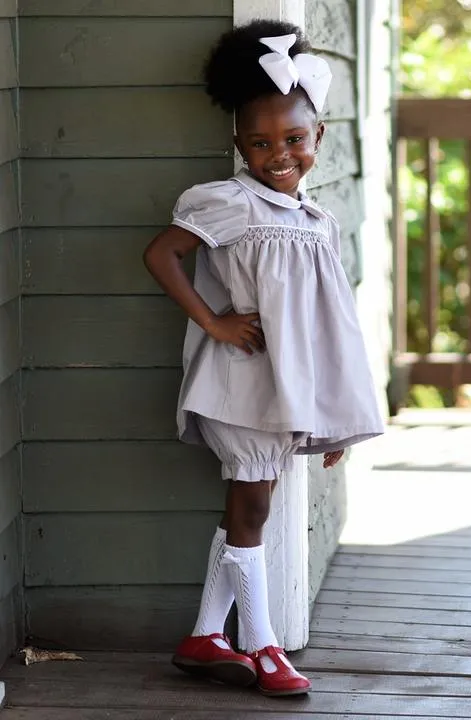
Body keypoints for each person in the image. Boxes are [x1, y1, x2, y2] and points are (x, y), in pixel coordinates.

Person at [143, 19, 384, 697]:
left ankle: (204, 636)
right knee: (251, 511)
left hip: (282, 394)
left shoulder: (315, 221)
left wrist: (333, 418)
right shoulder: (229, 204)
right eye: (259, 142)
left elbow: (325, 331)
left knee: (247, 511)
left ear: (318, 138)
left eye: (293, 139)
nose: (278, 153)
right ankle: (264, 646)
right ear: (239, 144)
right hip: (240, 388)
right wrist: (213, 321)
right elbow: (161, 254)